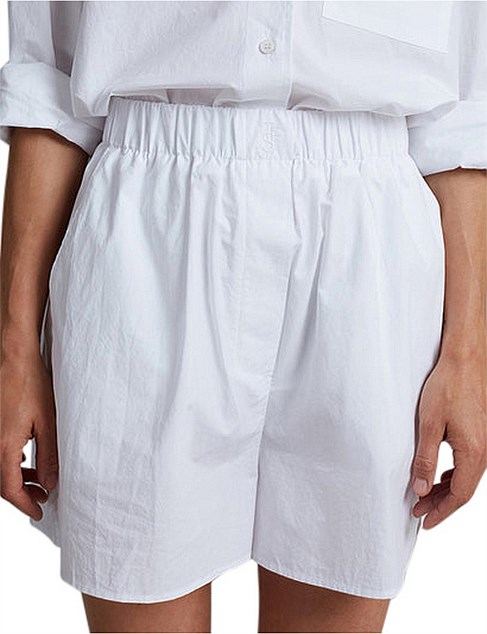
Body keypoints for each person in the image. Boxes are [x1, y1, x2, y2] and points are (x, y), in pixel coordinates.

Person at [0, 1, 486, 632]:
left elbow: (463, 114)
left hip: (367, 249)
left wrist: (468, 353)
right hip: (148, 227)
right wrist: (14, 346)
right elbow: (49, 85)